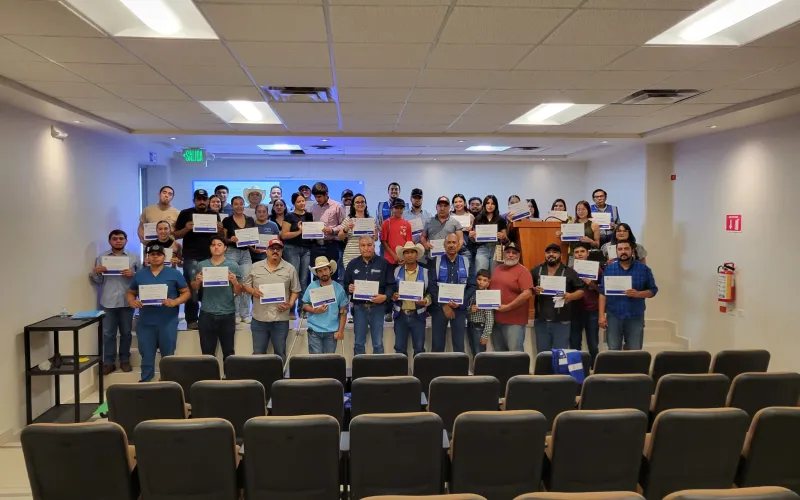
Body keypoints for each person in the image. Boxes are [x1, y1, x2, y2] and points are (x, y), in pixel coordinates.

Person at [127, 243, 190, 382]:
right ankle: (146, 381)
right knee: (146, 354)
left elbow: (186, 292)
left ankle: (168, 382)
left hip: (167, 320)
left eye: (158, 254)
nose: (155, 257)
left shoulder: (174, 273)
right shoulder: (140, 274)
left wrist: (175, 302)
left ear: (164, 256)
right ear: (148, 257)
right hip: (146, 321)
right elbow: (131, 292)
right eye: (152, 254)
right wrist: (132, 301)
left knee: (168, 355)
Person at [90, 229, 140, 375]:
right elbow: (99, 280)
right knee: (108, 334)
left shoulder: (134, 257)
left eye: (121, 238)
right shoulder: (102, 257)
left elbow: (142, 278)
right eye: (114, 238)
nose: (118, 241)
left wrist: (133, 274)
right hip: (108, 301)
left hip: (127, 300)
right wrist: (95, 272)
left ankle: (124, 360)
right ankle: (109, 363)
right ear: (110, 241)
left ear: (126, 240)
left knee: (126, 333)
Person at [173, 189, 223, 330]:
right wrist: (186, 229)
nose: (201, 201)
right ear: (194, 200)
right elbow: (176, 235)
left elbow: (219, 236)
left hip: (210, 257)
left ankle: (207, 318)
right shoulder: (185, 213)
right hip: (192, 257)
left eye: (204, 199)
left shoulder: (214, 214)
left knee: (209, 289)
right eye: (198, 199)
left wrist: (220, 229)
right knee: (193, 290)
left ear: (207, 200)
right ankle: (191, 319)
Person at [243, 238, 300, 361]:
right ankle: (259, 374)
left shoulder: (290, 268)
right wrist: (253, 291)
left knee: (280, 354)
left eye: (278, 249)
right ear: (266, 250)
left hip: (280, 319)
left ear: (282, 251)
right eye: (272, 248)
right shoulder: (255, 267)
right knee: (258, 354)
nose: (275, 251)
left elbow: (295, 290)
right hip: (259, 319)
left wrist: (290, 304)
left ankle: (280, 374)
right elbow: (246, 285)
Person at [599, 240, 658, 351]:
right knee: (613, 350)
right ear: (616, 252)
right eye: (620, 249)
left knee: (635, 350)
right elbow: (602, 293)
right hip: (614, 316)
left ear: (632, 251)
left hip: (635, 316)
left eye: (626, 249)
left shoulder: (644, 269)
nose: (623, 252)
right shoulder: (609, 269)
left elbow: (653, 290)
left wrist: (638, 294)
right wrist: (601, 316)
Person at [191, 236, 243, 362]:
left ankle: (229, 374)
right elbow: (194, 287)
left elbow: (239, 292)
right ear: (210, 248)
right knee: (207, 354)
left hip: (227, 313)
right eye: (213, 245)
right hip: (206, 313)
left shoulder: (233, 265)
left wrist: (235, 282)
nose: (216, 247)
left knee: (229, 352)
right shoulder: (202, 265)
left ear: (225, 248)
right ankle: (209, 375)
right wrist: (198, 281)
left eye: (219, 245)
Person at [342, 236, 395, 355]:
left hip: (378, 308)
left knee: (378, 343)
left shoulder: (384, 263)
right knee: (359, 343)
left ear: (374, 246)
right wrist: (349, 288)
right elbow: (345, 284)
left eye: (369, 245)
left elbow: (391, 285)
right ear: (359, 247)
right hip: (359, 308)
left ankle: (377, 367)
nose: (366, 248)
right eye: (363, 245)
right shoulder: (352, 264)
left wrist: (385, 297)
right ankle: (359, 367)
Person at [531, 243, 585, 352]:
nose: (551, 254)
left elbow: (581, 291)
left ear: (561, 255)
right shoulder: (536, 270)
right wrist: (534, 290)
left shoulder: (570, 272)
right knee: (542, 354)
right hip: (541, 320)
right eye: (548, 252)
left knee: (561, 355)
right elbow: (527, 289)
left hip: (562, 321)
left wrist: (571, 296)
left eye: (555, 252)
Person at [429, 233, 474, 353]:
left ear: (459, 244)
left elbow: (472, 285)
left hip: (459, 309)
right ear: (444, 245)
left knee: (459, 347)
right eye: (448, 242)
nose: (451, 245)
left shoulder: (466, 262)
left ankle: (458, 367)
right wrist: (444, 305)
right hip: (440, 309)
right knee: (437, 346)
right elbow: (432, 286)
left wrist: (461, 302)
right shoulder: (436, 261)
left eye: (454, 242)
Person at [490, 243, 533, 352]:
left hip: (514, 322)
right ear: (503, 254)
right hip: (496, 320)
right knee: (499, 354)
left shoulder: (523, 271)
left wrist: (508, 307)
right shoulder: (497, 269)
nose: (510, 255)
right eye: (508, 252)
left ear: (519, 255)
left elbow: (527, 293)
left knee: (515, 354)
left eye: (514, 253)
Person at [391, 242, 431, 357]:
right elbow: (391, 289)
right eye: (406, 252)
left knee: (419, 350)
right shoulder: (396, 271)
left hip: (418, 316)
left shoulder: (426, 272)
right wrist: (393, 296)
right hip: (400, 315)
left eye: (412, 252)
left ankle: (419, 370)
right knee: (399, 349)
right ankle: (401, 370)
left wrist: (426, 301)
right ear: (403, 255)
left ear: (417, 255)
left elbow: (431, 293)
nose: (409, 255)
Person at [302, 257, 348, 354]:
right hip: (314, 330)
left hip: (332, 331)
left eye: (325, 269)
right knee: (316, 360)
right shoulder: (312, 286)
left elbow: (343, 311)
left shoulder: (339, 288)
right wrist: (314, 310)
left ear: (330, 270)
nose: (323, 273)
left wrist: (340, 331)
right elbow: (304, 305)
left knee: (329, 361)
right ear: (317, 273)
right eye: (320, 271)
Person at [222, 196, 255, 324]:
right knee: (234, 282)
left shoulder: (250, 219)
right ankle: (235, 313)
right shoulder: (227, 220)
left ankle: (245, 313)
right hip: (232, 252)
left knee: (246, 283)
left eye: (241, 204)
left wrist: (254, 245)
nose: (239, 206)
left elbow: (253, 238)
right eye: (236, 204)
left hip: (246, 253)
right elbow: (224, 239)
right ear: (232, 206)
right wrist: (230, 239)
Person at [282, 192, 314, 319]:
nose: (301, 203)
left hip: (306, 249)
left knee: (304, 280)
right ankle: (291, 309)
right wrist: (299, 231)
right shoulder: (289, 216)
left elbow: (312, 232)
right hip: (292, 249)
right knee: (293, 279)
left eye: (303, 201)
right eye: (298, 201)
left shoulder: (309, 215)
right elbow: (284, 235)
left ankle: (303, 309)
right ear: (294, 203)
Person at [380, 198, 412, 322]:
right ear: (391, 208)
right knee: (389, 285)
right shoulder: (386, 223)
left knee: (402, 285)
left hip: (403, 260)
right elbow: (384, 242)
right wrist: (394, 255)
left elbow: (408, 243)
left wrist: (404, 258)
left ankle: (400, 309)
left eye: (401, 208)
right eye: (396, 208)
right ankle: (388, 311)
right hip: (389, 260)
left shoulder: (407, 224)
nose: (398, 210)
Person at [570, 242, 602, 365]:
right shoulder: (570, 270)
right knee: (574, 345)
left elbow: (603, 290)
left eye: (582, 251)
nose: (580, 254)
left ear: (588, 253)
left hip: (592, 310)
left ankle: (595, 369)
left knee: (593, 345)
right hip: (574, 310)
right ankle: (576, 369)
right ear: (574, 255)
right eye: (577, 252)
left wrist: (592, 284)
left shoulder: (596, 268)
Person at [309, 182, 346, 281]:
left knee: (332, 275)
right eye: (315, 197)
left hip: (331, 245)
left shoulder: (337, 206)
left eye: (319, 196)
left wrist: (332, 230)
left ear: (326, 194)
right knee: (317, 276)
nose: (317, 199)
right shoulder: (313, 207)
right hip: (316, 245)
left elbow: (344, 224)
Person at [420, 196, 464, 266]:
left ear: (449, 207)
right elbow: (423, 236)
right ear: (436, 207)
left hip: (450, 260)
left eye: (445, 206)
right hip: (432, 260)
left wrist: (454, 251)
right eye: (440, 206)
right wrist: (425, 244)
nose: (442, 208)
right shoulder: (429, 221)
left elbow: (461, 240)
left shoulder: (455, 222)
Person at [339, 193, 378, 271]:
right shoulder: (349, 219)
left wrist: (375, 234)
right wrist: (346, 229)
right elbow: (340, 237)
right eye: (357, 202)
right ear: (353, 205)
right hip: (351, 255)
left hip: (368, 254)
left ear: (365, 204)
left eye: (362, 202)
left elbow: (375, 239)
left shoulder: (371, 219)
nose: (360, 204)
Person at [470, 194, 507, 275]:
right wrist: (471, 236)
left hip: (496, 249)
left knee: (495, 276)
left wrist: (503, 237)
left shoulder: (500, 220)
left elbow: (506, 239)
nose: (490, 206)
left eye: (492, 203)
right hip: (482, 249)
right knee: (480, 276)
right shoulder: (478, 219)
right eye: (488, 203)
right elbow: (473, 240)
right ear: (484, 205)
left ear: (496, 205)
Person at [467, 269, 494, 357]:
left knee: (480, 355)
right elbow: (465, 310)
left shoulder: (487, 296)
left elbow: (490, 318)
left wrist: (485, 335)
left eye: (484, 280)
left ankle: (481, 367)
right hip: (470, 326)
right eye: (479, 279)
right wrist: (470, 309)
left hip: (480, 328)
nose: (481, 282)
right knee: (474, 352)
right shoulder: (471, 293)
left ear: (488, 283)